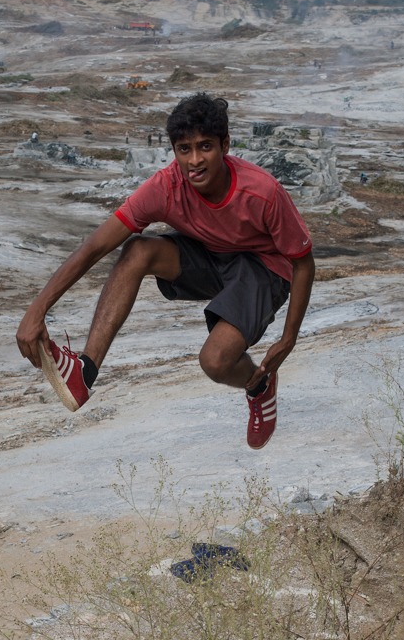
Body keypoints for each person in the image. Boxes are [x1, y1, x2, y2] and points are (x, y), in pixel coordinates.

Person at [16, 93, 314, 450]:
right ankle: (85, 371)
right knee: (138, 249)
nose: (194, 160)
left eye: (205, 147)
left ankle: (259, 385)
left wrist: (287, 340)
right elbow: (95, 245)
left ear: (225, 145)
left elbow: (302, 262)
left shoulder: (262, 192)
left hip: (263, 268)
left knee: (216, 362)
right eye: (183, 149)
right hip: (210, 259)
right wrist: (36, 311)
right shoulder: (166, 187)